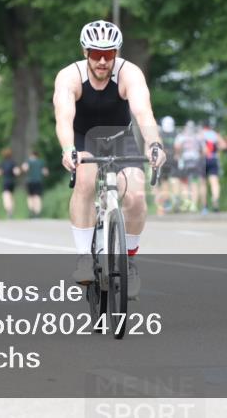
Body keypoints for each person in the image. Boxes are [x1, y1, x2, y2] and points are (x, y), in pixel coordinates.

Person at [53, 20, 165, 298]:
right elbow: (64, 117)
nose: (102, 61)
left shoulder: (130, 74)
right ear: (84, 52)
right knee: (86, 178)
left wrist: (154, 145)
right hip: (83, 138)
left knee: (136, 195)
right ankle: (83, 258)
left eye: (109, 54)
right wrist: (68, 149)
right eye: (95, 53)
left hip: (120, 138)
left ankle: (129, 262)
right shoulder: (69, 77)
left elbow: (144, 113)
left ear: (117, 53)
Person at [201, 121, 227, 213]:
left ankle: (204, 206)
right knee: (214, 182)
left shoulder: (200, 134)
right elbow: (224, 145)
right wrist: (217, 149)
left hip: (202, 160)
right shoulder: (215, 134)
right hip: (213, 159)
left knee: (203, 184)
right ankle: (215, 201)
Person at [174, 121, 205, 212]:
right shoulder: (197, 136)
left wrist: (178, 156)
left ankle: (186, 203)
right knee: (195, 183)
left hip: (185, 161)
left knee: (184, 183)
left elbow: (177, 147)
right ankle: (193, 205)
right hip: (195, 161)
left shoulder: (181, 136)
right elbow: (203, 150)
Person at [155, 116, 180, 215]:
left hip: (164, 159)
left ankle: (165, 203)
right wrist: (177, 155)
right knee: (175, 180)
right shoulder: (176, 133)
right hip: (174, 159)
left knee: (164, 182)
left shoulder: (161, 133)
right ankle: (176, 199)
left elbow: (160, 145)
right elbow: (178, 146)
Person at [21, 150, 49, 218]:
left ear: (31, 155)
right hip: (39, 181)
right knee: (37, 197)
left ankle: (31, 211)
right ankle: (38, 213)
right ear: (37, 155)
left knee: (30, 197)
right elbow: (45, 172)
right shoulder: (41, 162)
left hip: (30, 181)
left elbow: (24, 169)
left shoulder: (28, 162)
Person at [0, 148, 20, 219]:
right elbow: (16, 172)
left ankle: (9, 211)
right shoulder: (13, 162)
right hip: (12, 182)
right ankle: (11, 211)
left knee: (6, 196)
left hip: (6, 181)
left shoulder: (2, 163)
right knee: (11, 196)